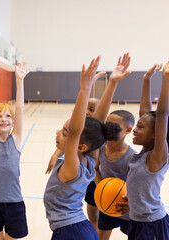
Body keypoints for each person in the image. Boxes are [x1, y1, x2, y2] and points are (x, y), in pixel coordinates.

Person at [43, 56, 122, 240]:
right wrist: (112, 84)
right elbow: (98, 123)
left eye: (64, 132)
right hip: (80, 229)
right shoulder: (90, 159)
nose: (58, 133)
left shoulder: (73, 165)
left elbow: (76, 131)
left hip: (70, 232)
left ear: (79, 145)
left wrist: (85, 89)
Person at [0, 60, 29, 240]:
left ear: (13, 122)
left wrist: (20, 80)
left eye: (8, 116)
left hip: (14, 203)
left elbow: (20, 109)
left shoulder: (16, 140)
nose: (4, 119)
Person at [125, 62, 169, 239]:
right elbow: (146, 112)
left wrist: (166, 78)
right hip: (136, 221)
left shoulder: (156, 157)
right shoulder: (143, 153)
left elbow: (161, 114)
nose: (135, 129)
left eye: (140, 127)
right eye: (136, 125)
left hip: (152, 225)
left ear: (155, 134)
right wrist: (146, 79)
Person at [95, 110, 136, 240]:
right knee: (101, 236)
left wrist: (132, 202)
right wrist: (101, 187)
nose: (108, 129)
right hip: (106, 203)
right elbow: (96, 169)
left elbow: (139, 185)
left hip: (126, 208)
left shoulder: (132, 157)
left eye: (114, 126)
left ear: (128, 130)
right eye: (107, 125)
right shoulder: (101, 148)